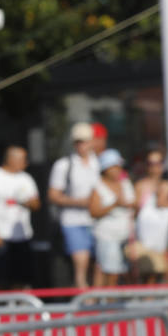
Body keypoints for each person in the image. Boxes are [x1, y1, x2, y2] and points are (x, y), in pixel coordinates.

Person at [48, 121, 102, 288]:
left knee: (100, 264)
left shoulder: (100, 163)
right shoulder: (63, 165)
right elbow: (53, 195)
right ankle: (84, 301)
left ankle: (99, 300)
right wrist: (80, 202)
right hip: (73, 221)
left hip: (99, 220)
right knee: (81, 263)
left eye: (85, 141)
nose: (82, 145)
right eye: (78, 142)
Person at [0, 146, 41, 290]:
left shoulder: (26, 178)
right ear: (11, 159)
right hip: (1, 236)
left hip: (23, 236)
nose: (26, 163)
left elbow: (37, 204)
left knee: (21, 277)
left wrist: (28, 202)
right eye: (23, 159)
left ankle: (21, 310)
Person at [88, 148, 137, 286]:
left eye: (118, 166)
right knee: (110, 273)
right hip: (107, 236)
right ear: (106, 168)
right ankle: (107, 305)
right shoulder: (98, 186)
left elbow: (134, 203)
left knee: (126, 273)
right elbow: (93, 211)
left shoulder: (125, 183)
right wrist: (114, 204)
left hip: (126, 236)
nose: (117, 169)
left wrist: (129, 205)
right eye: (114, 166)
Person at [132, 147, 168, 284]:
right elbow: (134, 214)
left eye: (158, 163)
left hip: (167, 241)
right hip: (146, 241)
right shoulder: (140, 186)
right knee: (148, 278)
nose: (155, 167)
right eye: (151, 163)